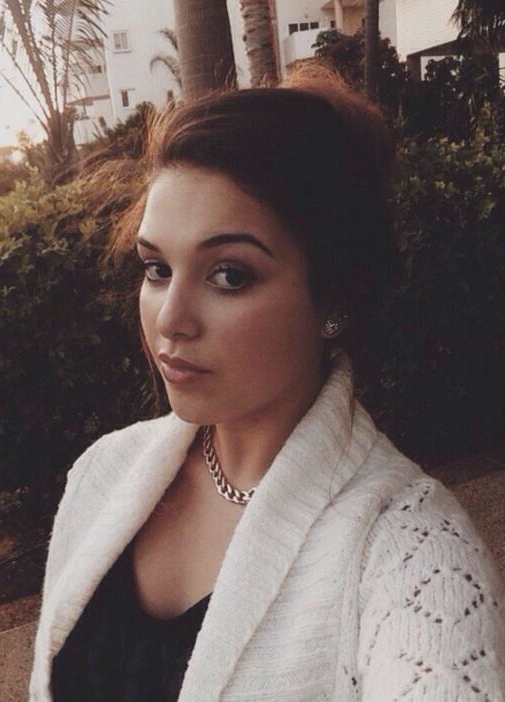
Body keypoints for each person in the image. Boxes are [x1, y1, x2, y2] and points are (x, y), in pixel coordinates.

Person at [29, 66, 504, 701]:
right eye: (157, 268)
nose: (170, 319)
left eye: (229, 275)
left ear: (334, 296)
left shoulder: (410, 552)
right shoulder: (101, 476)